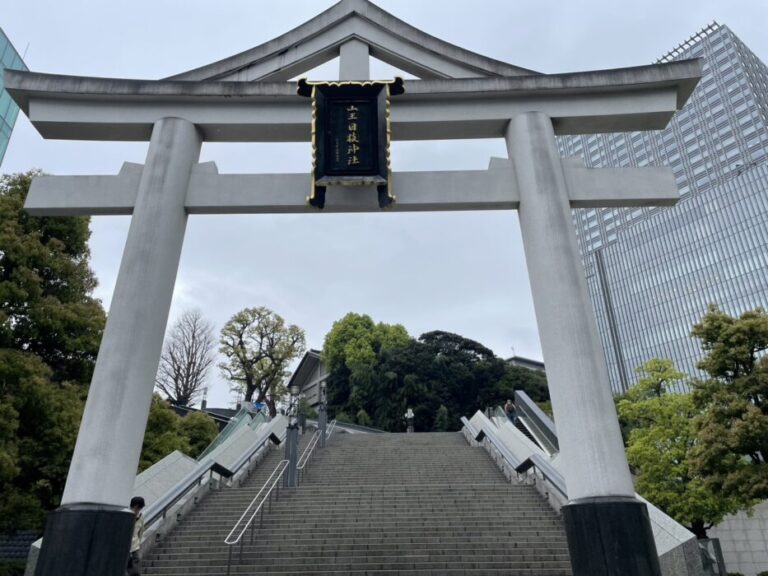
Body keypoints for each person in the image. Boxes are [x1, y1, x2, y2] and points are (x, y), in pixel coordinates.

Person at [126, 496, 145, 576]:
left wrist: (138, 543)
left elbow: (141, 531)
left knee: (135, 571)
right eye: (139, 508)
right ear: (135, 506)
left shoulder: (140, 517)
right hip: (124, 547)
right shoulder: (125, 515)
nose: (139, 511)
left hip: (135, 547)